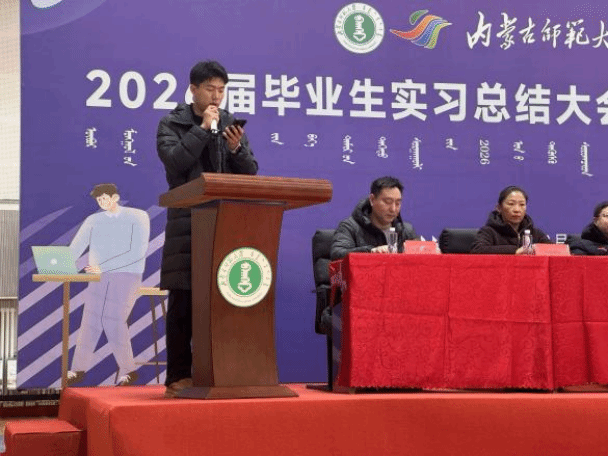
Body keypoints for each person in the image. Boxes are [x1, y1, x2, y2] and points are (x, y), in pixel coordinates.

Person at [156, 60, 258, 398]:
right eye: (210, 89)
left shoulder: (229, 124)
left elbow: (250, 172)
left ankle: (218, 371)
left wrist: (236, 149)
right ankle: (178, 376)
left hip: (225, 222)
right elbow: (175, 163)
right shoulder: (171, 123)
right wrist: (202, 129)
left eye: (221, 90)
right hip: (187, 224)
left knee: (221, 301)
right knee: (184, 303)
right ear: (193, 89)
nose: (216, 96)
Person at [67, 183, 150, 387]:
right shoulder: (93, 220)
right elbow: (76, 247)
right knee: (90, 321)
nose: (102, 202)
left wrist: (102, 266)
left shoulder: (138, 217)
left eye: (104, 198)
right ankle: (77, 369)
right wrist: (58, 265)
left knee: (113, 319)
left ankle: (129, 370)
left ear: (115, 197)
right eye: (98, 199)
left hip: (127, 275)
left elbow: (136, 252)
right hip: (99, 277)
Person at [330, 176, 417, 260]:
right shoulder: (350, 227)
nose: (393, 209)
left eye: (398, 203)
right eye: (388, 202)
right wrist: (371, 251)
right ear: (372, 200)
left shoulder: (406, 230)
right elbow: (337, 254)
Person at [470, 185, 551, 254]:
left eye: (522, 205)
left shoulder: (535, 233)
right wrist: (515, 250)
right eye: (511, 204)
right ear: (499, 208)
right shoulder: (489, 232)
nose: (517, 210)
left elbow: (553, 250)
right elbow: (477, 250)